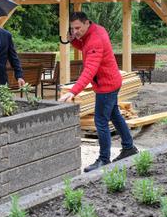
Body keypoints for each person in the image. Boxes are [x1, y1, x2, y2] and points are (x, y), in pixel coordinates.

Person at [59, 11, 138, 172]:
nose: (75, 31)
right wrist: (73, 40)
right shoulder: (95, 30)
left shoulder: (95, 40)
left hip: (106, 85)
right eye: (72, 29)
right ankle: (129, 147)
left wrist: (73, 91)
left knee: (100, 121)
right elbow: (83, 45)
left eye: (78, 28)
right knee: (114, 114)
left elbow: (89, 70)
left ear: (87, 23)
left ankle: (104, 159)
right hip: (111, 80)